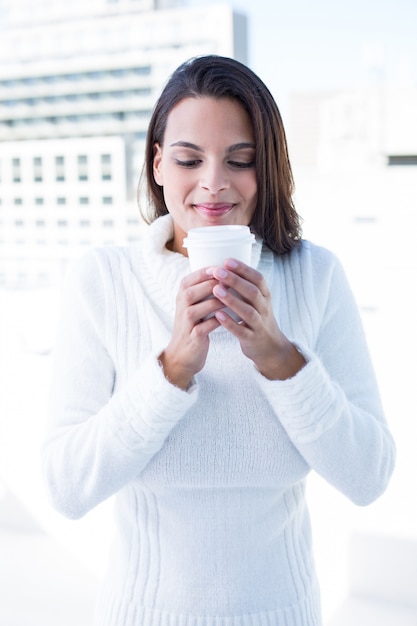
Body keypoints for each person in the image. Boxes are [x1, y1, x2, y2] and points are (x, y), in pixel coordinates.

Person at [42, 55, 396, 626]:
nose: (213, 182)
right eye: (188, 159)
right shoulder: (106, 280)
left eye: (240, 160)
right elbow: (67, 486)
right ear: (158, 165)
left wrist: (283, 361)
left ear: (268, 170)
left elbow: (369, 477)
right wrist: (171, 369)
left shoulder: (315, 276)